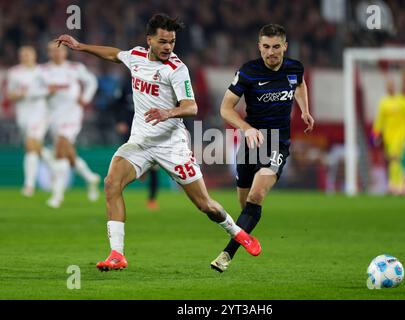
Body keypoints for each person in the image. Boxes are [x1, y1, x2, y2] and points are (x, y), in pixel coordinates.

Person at [55, 13, 261, 272]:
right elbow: (114, 54)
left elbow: (192, 106)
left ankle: (238, 232)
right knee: (111, 184)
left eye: (172, 42)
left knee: (205, 205)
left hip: (171, 145)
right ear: (149, 39)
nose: (168, 47)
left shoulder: (176, 69)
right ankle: (117, 254)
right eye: (163, 41)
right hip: (140, 142)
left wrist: (168, 112)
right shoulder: (137, 57)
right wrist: (81, 46)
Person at [210, 24, 314, 273]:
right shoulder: (248, 72)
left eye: (276, 47)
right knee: (245, 204)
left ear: (284, 47)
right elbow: (225, 109)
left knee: (256, 196)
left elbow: (299, 85)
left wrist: (305, 110)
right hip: (251, 142)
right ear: (259, 47)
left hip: (277, 142)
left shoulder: (294, 68)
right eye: (266, 47)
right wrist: (246, 129)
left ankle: (226, 255)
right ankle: (244, 233)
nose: (271, 52)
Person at [41, 41, 101, 208]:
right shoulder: (43, 71)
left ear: (65, 52)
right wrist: (46, 91)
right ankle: (90, 178)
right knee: (67, 153)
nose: (56, 53)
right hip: (53, 116)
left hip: (72, 114)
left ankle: (57, 195)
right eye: (53, 51)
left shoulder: (75, 68)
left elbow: (91, 82)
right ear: (48, 53)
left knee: (60, 148)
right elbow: (36, 90)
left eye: (59, 50)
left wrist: (86, 98)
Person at [6, 46, 55, 197]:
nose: (25, 56)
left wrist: (35, 93)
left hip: (40, 113)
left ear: (34, 56)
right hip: (23, 114)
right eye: (23, 54)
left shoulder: (43, 71)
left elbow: (52, 90)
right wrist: (21, 94)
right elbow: (10, 95)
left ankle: (29, 185)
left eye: (28, 54)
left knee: (31, 145)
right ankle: (56, 168)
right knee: (34, 147)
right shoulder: (14, 73)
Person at [113, 75, 160, 210]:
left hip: (149, 127)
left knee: (154, 166)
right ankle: (118, 193)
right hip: (129, 128)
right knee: (125, 161)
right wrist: (119, 121)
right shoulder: (126, 83)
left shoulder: (154, 82)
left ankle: (152, 199)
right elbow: (116, 104)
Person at [371, 79, 405, 195]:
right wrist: (375, 133)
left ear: (395, 87)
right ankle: (395, 185)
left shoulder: (403, 101)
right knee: (393, 161)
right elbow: (379, 119)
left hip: (400, 135)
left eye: (391, 85)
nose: (390, 88)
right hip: (388, 136)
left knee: (395, 158)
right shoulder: (384, 102)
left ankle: (397, 185)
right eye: (388, 86)